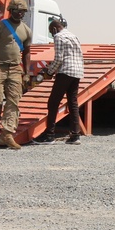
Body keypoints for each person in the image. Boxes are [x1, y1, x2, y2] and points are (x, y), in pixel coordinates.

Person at [0, 0, 34, 150]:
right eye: (16, 11)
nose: (19, 14)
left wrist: (27, 73)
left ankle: (7, 133)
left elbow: (27, 53)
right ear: (10, 10)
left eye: (22, 11)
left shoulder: (26, 30)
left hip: (16, 69)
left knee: (13, 101)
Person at [32, 17, 83, 145]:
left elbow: (59, 58)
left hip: (65, 71)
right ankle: (75, 135)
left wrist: (49, 72)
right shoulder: (74, 36)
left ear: (54, 29)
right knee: (73, 102)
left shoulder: (58, 37)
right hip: (77, 72)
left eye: (51, 31)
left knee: (53, 102)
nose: (52, 34)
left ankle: (49, 135)